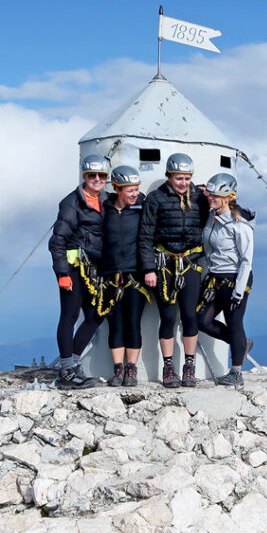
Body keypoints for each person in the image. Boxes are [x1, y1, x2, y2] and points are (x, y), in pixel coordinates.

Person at [138, 153, 209, 388]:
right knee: (167, 317)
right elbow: (145, 236)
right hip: (164, 265)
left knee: (189, 315)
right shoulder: (156, 199)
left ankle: (189, 366)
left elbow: (217, 212)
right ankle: (168, 367)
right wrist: (149, 268)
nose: (184, 183)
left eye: (187, 178)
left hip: (190, 263)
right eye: (179, 178)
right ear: (169, 176)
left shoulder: (199, 198)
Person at [48, 154, 109, 390]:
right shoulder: (72, 203)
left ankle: (71, 366)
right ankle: (67, 371)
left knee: (95, 315)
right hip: (73, 269)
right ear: (84, 176)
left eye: (101, 175)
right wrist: (62, 274)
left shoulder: (106, 200)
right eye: (91, 175)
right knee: (70, 316)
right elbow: (57, 241)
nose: (96, 179)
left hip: (95, 270)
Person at [197, 173, 255, 388]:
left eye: (216, 196)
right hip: (214, 278)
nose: (210, 199)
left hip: (234, 279)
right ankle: (241, 344)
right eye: (210, 195)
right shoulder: (212, 217)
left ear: (229, 197)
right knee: (200, 320)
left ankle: (236, 374)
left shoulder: (240, 224)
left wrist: (238, 292)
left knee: (234, 323)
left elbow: (246, 260)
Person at [98, 165, 149, 387]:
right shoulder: (104, 209)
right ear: (117, 189)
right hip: (109, 274)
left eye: (136, 189)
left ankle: (131, 368)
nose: (135, 193)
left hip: (134, 275)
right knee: (115, 324)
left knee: (133, 323)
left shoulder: (141, 208)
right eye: (130, 190)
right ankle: (117, 369)